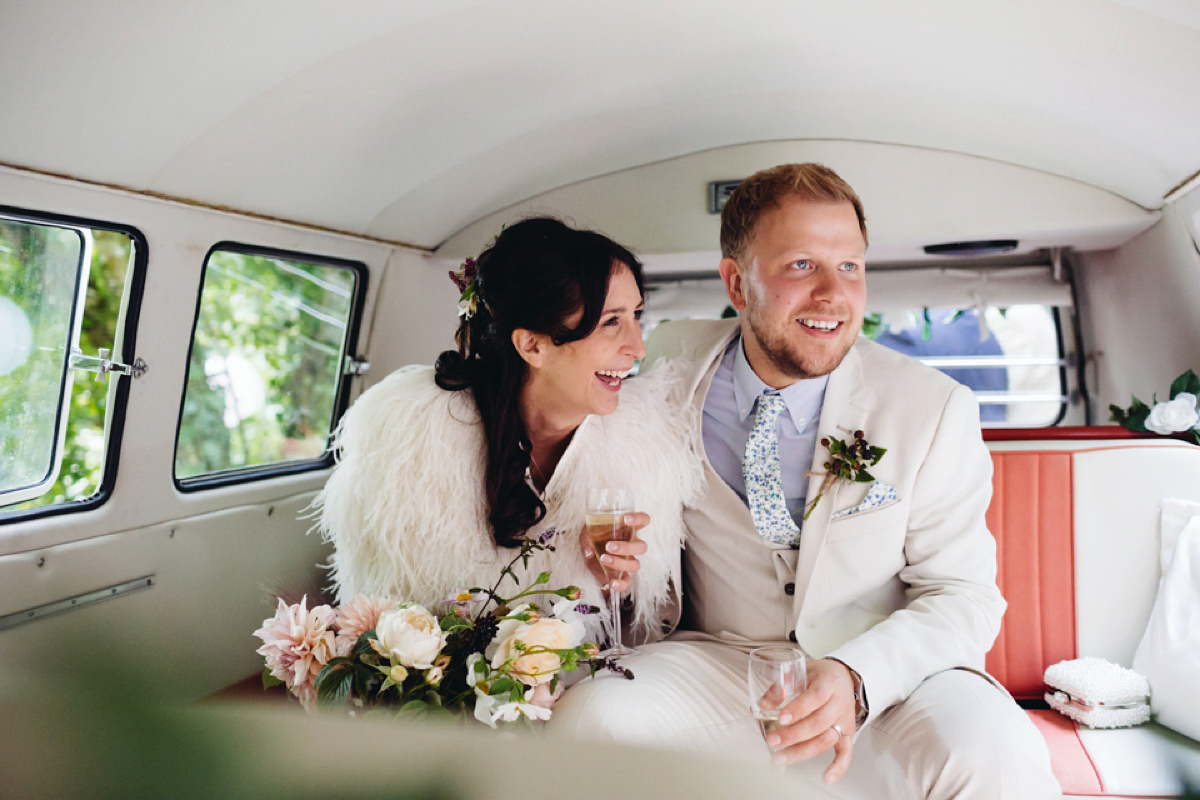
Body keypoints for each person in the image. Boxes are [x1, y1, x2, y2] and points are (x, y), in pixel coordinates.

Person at [548, 164, 1060, 799]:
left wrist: (855, 673)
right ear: (737, 283)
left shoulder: (931, 407)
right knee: (592, 722)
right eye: (800, 266)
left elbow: (964, 596)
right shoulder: (666, 371)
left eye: (849, 267)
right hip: (719, 661)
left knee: (996, 751)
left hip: (889, 678)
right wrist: (611, 569)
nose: (832, 294)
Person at [315, 217, 702, 652]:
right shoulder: (414, 438)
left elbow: (650, 628)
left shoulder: (645, 446)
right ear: (532, 345)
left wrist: (615, 586)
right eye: (611, 321)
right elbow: (388, 623)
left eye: (636, 316)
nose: (638, 347)